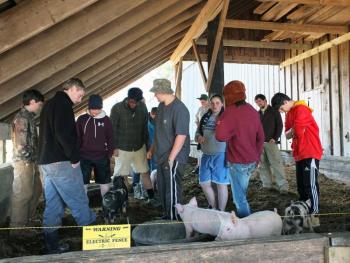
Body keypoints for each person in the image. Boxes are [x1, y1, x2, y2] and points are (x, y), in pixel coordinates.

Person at [38, 78, 96, 254]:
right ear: (71, 89)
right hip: (61, 162)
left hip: (46, 162)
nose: (80, 99)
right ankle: (95, 243)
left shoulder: (49, 104)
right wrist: (74, 157)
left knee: (54, 204)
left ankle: (52, 247)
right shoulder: (63, 105)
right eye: (80, 94)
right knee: (78, 198)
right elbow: (63, 134)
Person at [271, 92, 322, 223]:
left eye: (282, 109)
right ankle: (305, 211)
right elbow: (287, 134)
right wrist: (294, 129)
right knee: (301, 185)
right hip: (299, 152)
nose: (282, 112)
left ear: (285, 102)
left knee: (310, 185)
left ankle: (315, 214)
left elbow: (297, 132)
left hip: (310, 151)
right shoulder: (290, 113)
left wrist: (294, 130)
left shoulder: (302, 109)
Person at [216, 80, 264, 218]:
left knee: (239, 199)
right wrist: (257, 157)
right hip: (251, 161)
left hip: (237, 161)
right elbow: (261, 137)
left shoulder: (230, 112)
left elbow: (220, 136)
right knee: (242, 192)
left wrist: (220, 120)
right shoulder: (252, 110)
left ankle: (247, 225)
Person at [147, 79, 190, 220]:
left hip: (174, 156)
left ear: (163, 91)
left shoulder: (180, 109)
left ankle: (174, 218)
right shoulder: (160, 107)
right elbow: (159, 132)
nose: (155, 96)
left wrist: (171, 158)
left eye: (156, 93)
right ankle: (166, 214)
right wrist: (152, 149)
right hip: (161, 155)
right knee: (163, 186)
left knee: (172, 188)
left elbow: (181, 135)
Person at [110, 87, 155, 203]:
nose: (133, 104)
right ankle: (122, 201)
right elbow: (112, 129)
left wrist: (148, 147)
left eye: (136, 102)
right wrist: (113, 147)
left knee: (145, 172)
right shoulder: (117, 108)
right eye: (131, 102)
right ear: (128, 99)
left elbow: (145, 129)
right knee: (122, 175)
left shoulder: (143, 108)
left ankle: (151, 198)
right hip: (122, 147)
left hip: (139, 146)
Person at [10, 89, 44, 228]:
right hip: (23, 162)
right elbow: (21, 145)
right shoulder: (21, 118)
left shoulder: (29, 117)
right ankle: (17, 228)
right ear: (32, 102)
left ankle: (28, 220)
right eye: (39, 104)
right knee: (23, 195)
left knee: (35, 191)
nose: (40, 107)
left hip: (31, 162)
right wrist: (34, 157)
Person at [76, 94, 114, 199]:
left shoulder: (106, 120)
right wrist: (76, 154)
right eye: (93, 109)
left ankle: (106, 205)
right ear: (89, 107)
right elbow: (77, 137)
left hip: (101, 156)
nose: (95, 112)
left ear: (101, 108)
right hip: (84, 156)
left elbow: (110, 137)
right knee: (83, 182)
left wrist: (110, 153)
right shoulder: (82, 119)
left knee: (105, 181)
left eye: (98, 109)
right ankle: (84, 206)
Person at [195, 94, 229, 211]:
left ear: (222, 104)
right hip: (206, 154)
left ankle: (221, 211)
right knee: (204, 183)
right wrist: (198, 137)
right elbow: (197, 133)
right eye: (212, 103)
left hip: (221, 154)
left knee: (221, 184)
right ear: (209, 104)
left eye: (217, 103)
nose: (214, 105)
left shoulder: (226, 118)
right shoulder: (205, 117)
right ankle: (214, 207)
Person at [254, 94, 289, 192]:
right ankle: (267, 184)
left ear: (265, 100)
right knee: (262, 165)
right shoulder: (257, 114)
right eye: (256, 102)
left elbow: (280, 125)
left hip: (271, 142)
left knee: (276, 164)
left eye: (260, 101)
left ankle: (283, 186)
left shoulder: (274, 111)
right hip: (260, 143)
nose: (258, 103)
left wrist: (275, 137)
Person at [192, 94, 209, 174]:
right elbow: (196, 120)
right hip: (200, 131)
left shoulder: (210, 109)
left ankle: (205, 166)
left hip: (208, 133)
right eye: (201, 100)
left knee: (206, 149)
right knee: (199, 149)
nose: (201, 101)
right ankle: (199, 166)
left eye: (203, 100)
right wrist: (198, 129)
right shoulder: (200, 109)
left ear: (207, 100)